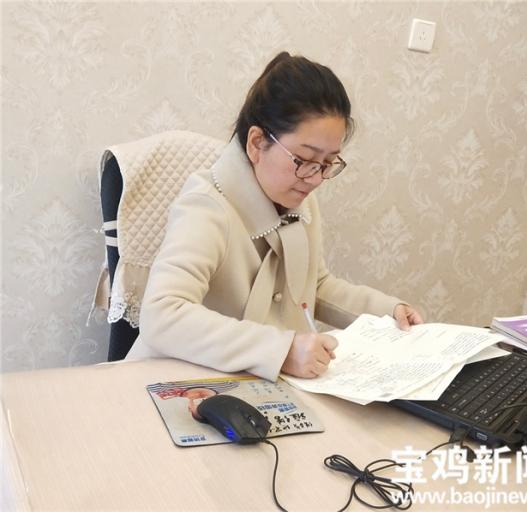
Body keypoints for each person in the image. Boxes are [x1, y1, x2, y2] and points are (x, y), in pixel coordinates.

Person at [126, 52, 423, 381]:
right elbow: (163, 315)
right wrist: (281, 350)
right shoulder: (207, 206)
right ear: (257, 143)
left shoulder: (300, 200)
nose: (315, 178)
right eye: (304, 160)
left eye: (328, 164)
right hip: (180, 381)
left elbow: (314, 286)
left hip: (255, 384)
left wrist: (387, 312)